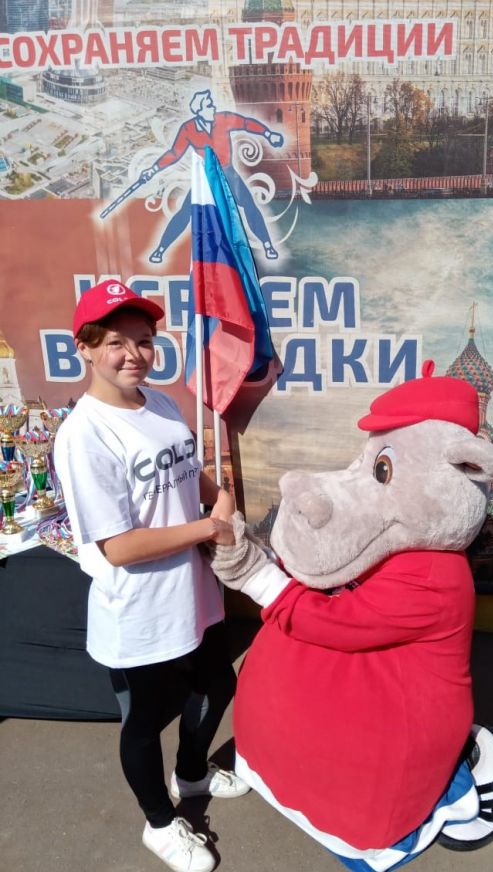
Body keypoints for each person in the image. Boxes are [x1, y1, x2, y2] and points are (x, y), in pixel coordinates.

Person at [54, 279, 249, 872]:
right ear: (86, 348)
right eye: (116, 342)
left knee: (218, 685)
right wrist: (207, 528)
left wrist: (219, 497)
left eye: (143, 340)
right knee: (144, 723)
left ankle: (190, 775)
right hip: (141, 606)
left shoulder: (158, 402)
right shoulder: (84, 435)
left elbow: (187, 470)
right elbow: (118, 547)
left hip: (193, 590)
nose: (133, 354)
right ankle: (160, 825)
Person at [139, 89, 283, 263]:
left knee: (248, 205)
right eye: (209, 105)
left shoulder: (223, 119)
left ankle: (267, 245)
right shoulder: (188, 129)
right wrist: (153, 170)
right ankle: (160, 250)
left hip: (227, 172)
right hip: (205, 176)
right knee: (186, 212)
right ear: (199, 110)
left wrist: (268, 134)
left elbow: (246, 123)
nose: (213, 107)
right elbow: (174, 154)